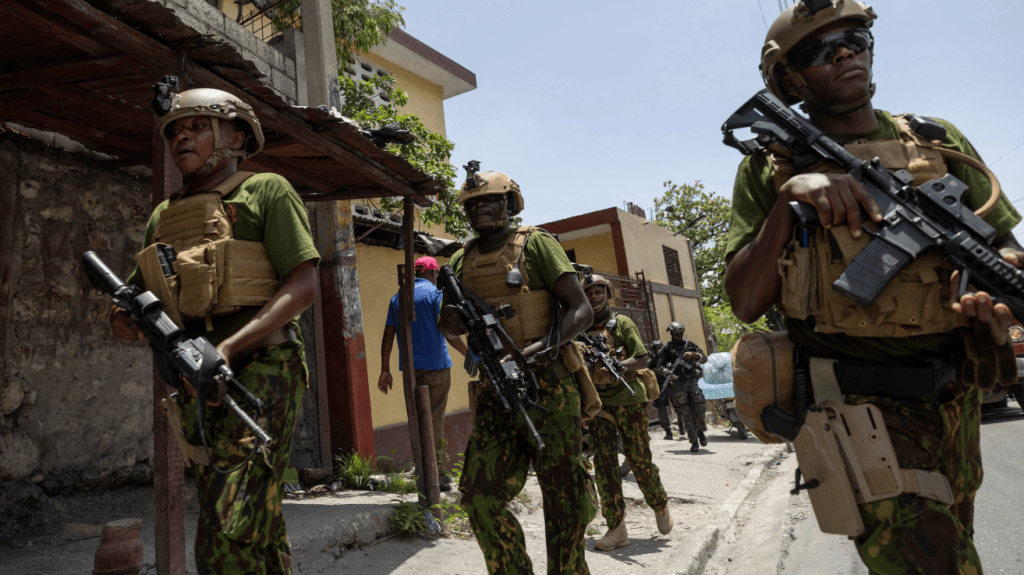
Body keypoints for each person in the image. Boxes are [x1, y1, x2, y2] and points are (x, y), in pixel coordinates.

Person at [724, 1, 1023, 572]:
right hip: (857, 407)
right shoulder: (770, 165)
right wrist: (791, 199)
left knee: (954, 545)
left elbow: (1004, 242)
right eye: (818, 50)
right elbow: (744, 300)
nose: (843, 54)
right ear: (788, 78)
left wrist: (996, 278)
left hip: (956, 397)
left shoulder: (935, 140)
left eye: (854, 40)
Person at [110, 87, 320, 575]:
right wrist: (123, 320)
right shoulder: (164, 215)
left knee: (228, 527)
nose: (182, 137)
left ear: (236, 136)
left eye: (197, 126)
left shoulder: (266, 190)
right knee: (249, 523)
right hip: (196, 380)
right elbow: (143, 295)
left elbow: (304, 284)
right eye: (176, 132)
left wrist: (228, 347)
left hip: (263, 370)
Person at [438, 163, 598, 574]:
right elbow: (447, 320)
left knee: (565, 500)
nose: (479, 211)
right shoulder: (461, 259)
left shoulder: (536, 244)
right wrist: (453, 320)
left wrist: (536, 352)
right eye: (472, 205)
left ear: (509, 203)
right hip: (497, 393)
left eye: (489, 201)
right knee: (479, 495)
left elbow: (580, 310)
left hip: (550, 387)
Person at [580, 274, 672, 551]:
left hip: (629, 400)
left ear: (607, 295)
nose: (594, 297)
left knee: (639, 458)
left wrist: (618, 367)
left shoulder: (621, 323)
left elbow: (642, 358)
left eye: (598, 292)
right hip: (598, 405)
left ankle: (658, 503)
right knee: (605, 467)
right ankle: (616, 528)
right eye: (589, 293)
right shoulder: (579, 330)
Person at [378, 255, 468, 491]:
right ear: (432, 273)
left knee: (417, 419)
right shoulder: (435, 296)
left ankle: (422, 470)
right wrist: (470, 355)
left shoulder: (397, 298)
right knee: (434, 419)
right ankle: (434, 473)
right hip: (436, 367)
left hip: (410, 370)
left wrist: (384, 369)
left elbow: (388, 334)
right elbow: (447, 330)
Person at [655, 322, 708, 453]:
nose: (679, 336)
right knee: (686, 414)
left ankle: (700, 431)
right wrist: (667, 372)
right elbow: (659, 366)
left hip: (693, 381)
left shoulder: (690, 345)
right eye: (676, 334)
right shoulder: (666, 349)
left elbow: (704, 359)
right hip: (679, 384)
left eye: (680, 333)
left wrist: (694, 355)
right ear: (671, 333)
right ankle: (694, 442)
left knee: (700, 408)